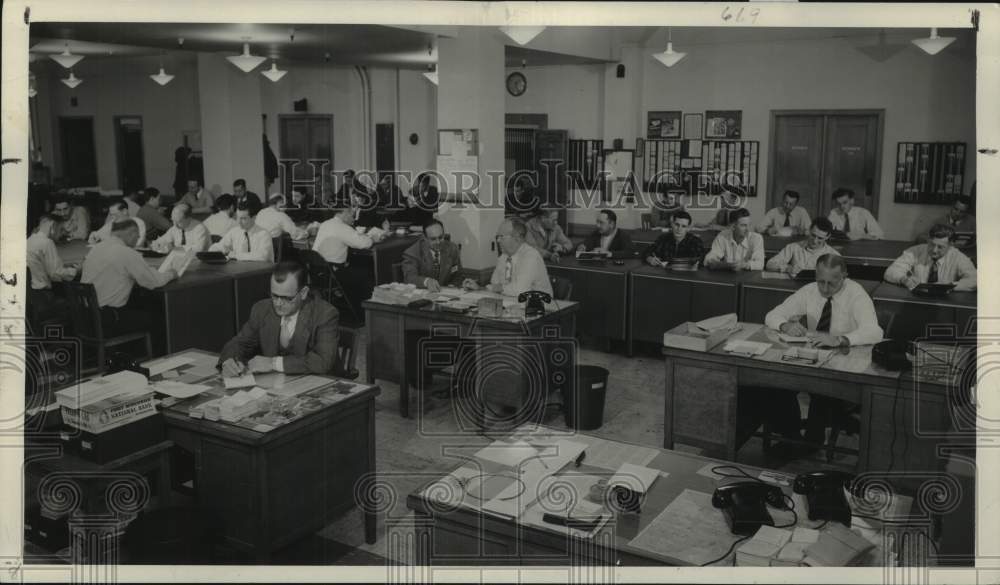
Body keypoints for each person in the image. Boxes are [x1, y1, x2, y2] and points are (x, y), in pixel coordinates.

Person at [763, 254, 883, 446]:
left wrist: (840, 339)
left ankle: (813, 443)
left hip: (846, 368)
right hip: (813, 361)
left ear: (844, 276)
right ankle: (791, 437)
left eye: (831, 284)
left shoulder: (856, 294)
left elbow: (875, 331)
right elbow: (772, 315)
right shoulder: (810, 291)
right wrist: (785, 325)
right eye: (821, 282)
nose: (825, 289)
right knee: (778, 384)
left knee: (822, 392)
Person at [218, 260, 339, 376]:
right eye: (274, 296)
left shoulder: (325, 314)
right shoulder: (262, 309)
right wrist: (228, 361)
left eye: (286, 298)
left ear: (303, 293)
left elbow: (323, 361)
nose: (278, 303)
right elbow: (240, 343)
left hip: (318, 383)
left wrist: (273, 363)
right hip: (278, 384)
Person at [80, 219, 177, 336]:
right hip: (109, 320)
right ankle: (158, 354)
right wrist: (172, 274)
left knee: (138, 303)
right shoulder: (126, 252)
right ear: (131, 233)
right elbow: (153, 282)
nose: (137, 239)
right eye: (137, 236)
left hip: (86, 316)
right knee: (161, 316)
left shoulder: (95, 249)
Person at [463, 218, 552, 297]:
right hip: (512, 305)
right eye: (497, 236)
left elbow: (519, 290)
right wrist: (479, 288)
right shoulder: (504, 257)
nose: (498, 240)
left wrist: (496, 288)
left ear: (517, 238)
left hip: (541, 307)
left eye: (501, 236)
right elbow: (495, 283)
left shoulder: (531, 256)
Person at [312, 205, 375, 313]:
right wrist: (372, 237)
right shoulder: (342, 227)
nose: (353, 218)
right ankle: (362, 313)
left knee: (355, 265)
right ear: (344, 212)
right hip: (334, 274)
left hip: (317, 273)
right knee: (367, 273)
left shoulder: (326, 224)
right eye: (351, 214)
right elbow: (365, 243)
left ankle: (345, 303)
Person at [884, 224, 977, 292]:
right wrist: (903, 279)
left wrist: (950, 286)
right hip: (916, 299)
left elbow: (975, 280)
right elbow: (891, 271)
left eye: (940, 247)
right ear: (928, 240)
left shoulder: (958, 257)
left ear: (950, 245)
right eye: (932, 244)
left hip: (944, 303)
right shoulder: (915, 251)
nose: (934, 250)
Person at [401, 219, 462, 291]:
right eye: (433, 239)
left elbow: (457, 275)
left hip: (446, 295)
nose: (438, 242)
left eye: (440, 237)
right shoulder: (412, 253)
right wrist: (426, 281)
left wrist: (454, 286)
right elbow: (409, 278)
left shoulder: (452, 248)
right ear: (424, 238)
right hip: (423, 296)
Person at [765, 217, 841, 275]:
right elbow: (770, 264)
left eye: (820, 238)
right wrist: (787, 268)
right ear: (809, 230)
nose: (815, 241)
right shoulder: (794, 247)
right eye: (813, 235)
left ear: (827, 237)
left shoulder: (834, 256)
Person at [208, 203, 275, 262]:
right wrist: (214, 251)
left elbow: (262, 256)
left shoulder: (264, 234)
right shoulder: (234, 231)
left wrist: (236, 255)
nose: (239, 222)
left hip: (262, 273)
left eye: (243, 218)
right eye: (238, 218)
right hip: (239, 272)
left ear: (254, 218)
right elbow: (219, 246)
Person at [27, 214, 79, 291]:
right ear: (53, 226)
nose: (61, 234)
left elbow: (43, 265)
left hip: (31, 293)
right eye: (61, 229)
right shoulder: (47, 242)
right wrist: (76, 271)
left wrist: (63, 265)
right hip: (44, 293)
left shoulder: (30, 239)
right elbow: (56, 274)